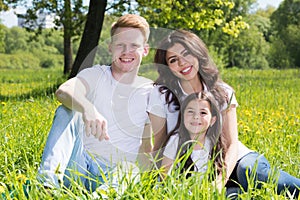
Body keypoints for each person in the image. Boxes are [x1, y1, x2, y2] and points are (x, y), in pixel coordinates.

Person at [147, 29, 300, 198]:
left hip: (234, 161)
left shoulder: (222, 92)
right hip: (195, 168)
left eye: (186, 54)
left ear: (197, 53)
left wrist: (221, 179)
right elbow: (160, 142)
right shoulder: (162, 95)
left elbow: (232, 143)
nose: (182, 63)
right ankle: (235, 191)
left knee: (249, 170)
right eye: (173, 60)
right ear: (168, 66)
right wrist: (152, 179)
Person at [37, 14, 153, 193]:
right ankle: (47, 187)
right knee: (66, 111)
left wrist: (153, 182)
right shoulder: (96, 74)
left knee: (132, 169)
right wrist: (88, 108)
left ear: (145, 50)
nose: (126, 51)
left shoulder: (151, 92)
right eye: (120, 45)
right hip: (78, 166)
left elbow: (146, 147)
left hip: (113, 176)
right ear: (110, 47)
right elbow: (63, 91)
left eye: (134, 46)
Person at [160, 91, 226, 180]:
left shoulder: (214, 143)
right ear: (182, 116)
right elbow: (164, 174)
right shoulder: (176, 141)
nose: (196, 117)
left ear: (212, 120)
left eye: (203, 113)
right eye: (191, 111)